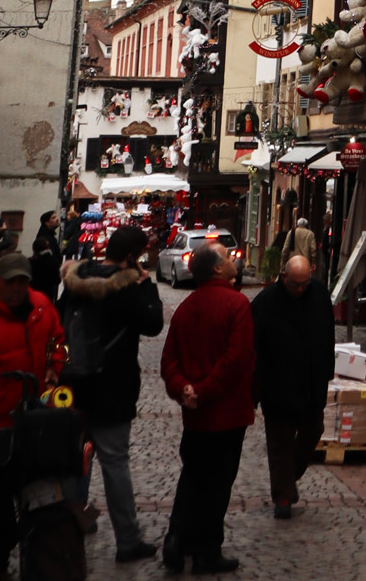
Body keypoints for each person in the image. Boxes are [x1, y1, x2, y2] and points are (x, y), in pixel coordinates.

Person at [61, 223, 162, 563]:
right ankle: (128, 540)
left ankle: (73, 526)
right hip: (112, 388)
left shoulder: (76, 282)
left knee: (76, 459)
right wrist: (147, 285)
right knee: (115, 463)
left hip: (74, 385)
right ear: (132, 257)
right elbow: (152, 323)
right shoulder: (125, 290)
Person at [160, 246, 253, 574]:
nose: (234, 261)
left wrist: (183, 389)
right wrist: (201, 391)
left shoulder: (186, 308)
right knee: (217, 484)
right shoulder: (236, 304)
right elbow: (235, 360)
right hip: (226, 413)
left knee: (193, 477)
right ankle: (206, 550)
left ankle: (176, 538)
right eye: (228, 257)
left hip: (196, 416)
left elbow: (168, 360)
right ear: (216, 270)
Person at [0, 250, 81, 581]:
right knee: (0, 497)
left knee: (41, 493)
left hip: (36, 420)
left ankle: (44, 555)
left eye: (22, 281)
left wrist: (54, 370)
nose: (17, 288)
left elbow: (59, 341)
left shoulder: (42, 307)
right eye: (10, 282)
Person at [250, 253, 335, 519]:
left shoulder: (319, 295)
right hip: (277, 386)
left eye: (304, 283)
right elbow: (253, 349)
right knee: (279, 444)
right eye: (295, 284)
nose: (300, 289)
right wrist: (255, 391)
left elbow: (328, 334)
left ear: (311, 274)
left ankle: (288, 479)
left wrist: (326, 372)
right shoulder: (265, 303)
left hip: (312, 383)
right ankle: (283, 497)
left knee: (313, 431)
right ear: (284, 277)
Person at [28, 215, 60, 302]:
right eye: (53, 217)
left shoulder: (31, 261)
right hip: (47, 290)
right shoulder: (47, 236)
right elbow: (56, 279)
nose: (57, 219)